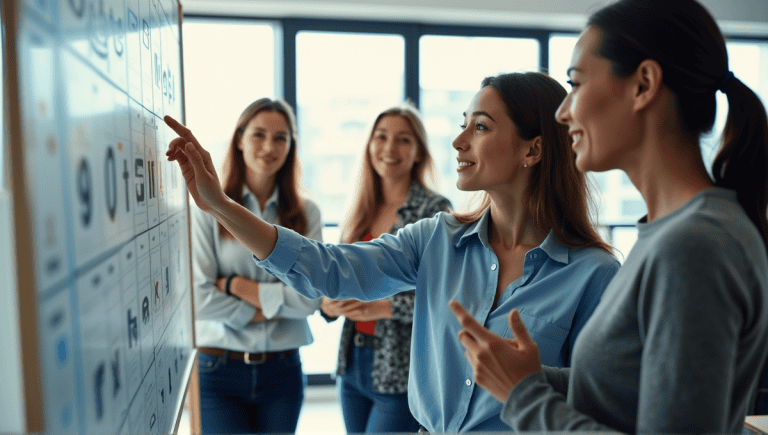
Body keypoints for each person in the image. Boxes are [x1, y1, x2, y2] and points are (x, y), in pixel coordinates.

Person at [164, 71, 620, 432]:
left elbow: (601, 409)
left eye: (480, 127)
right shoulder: (436, 238)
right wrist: (220, 207)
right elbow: (332, 269)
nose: (459, 141)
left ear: (533, 149)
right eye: (462, 125)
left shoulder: (593, 275)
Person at [449, 1, 768, 433]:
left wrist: (523, 395)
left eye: (576, 84)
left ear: (643, 85)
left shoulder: (692, 246)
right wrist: (530, 376)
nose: (564, 113)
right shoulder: (674, 233)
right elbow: (632, 391)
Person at [190, 98, 322, 434]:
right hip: (218, 368)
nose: (269, 146)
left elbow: (310, 299)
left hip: (282, 371)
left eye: (281, 138)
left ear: (291, 146)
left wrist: (233, 286)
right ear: (239, 139)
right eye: (258, 134)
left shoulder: (307, 214)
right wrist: (270, 309)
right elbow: (200, 299)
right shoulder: (208, 206)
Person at [319, 103, 452, 434]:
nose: (390, 148)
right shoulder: (361, 207)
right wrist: (328, 303)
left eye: (403, 139)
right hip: (352, 363)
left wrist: (382, 306)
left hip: (401, 370)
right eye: (381, 137)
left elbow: (447, 297)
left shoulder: (435, 211)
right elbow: (337, 275)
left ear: (419, 151)